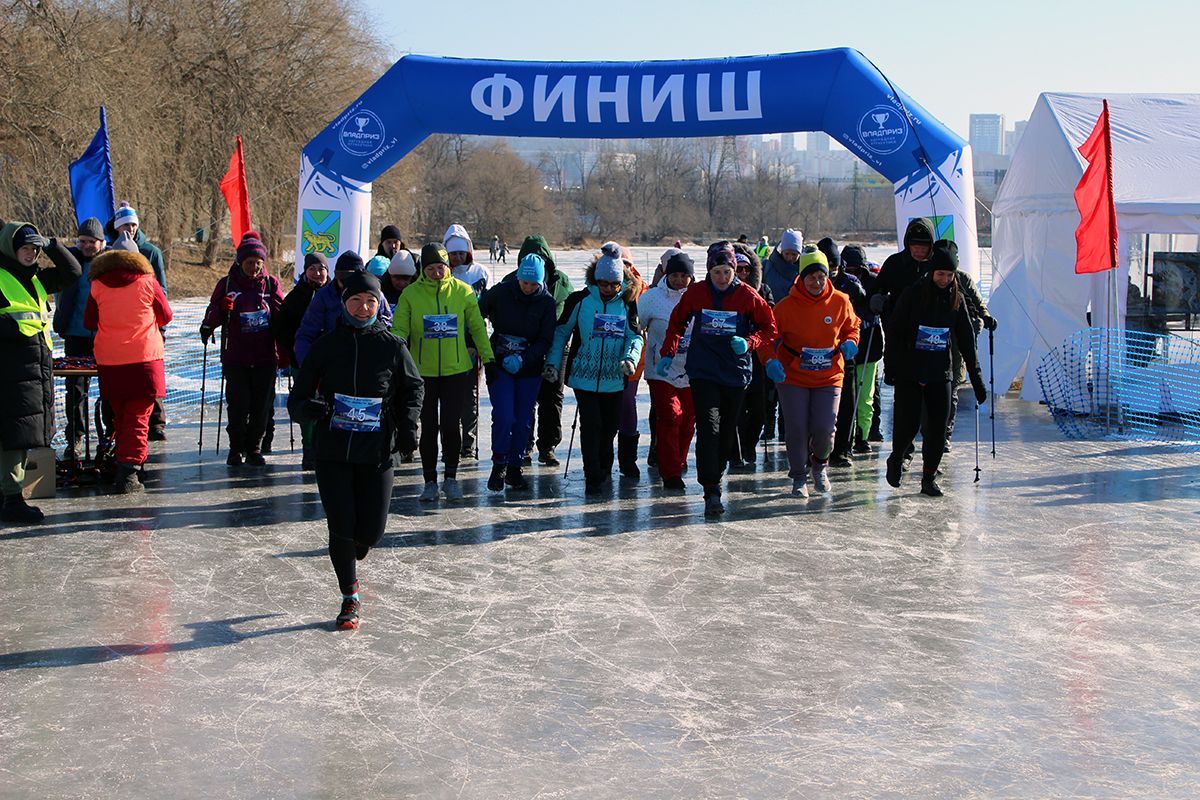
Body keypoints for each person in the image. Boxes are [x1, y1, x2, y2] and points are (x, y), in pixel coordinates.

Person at [288, 272, 422, 630]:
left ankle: (353, 549)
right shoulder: (326, 345)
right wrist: (309, 410)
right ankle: (350, 597)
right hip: (333, 450)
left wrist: (409, 429)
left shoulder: (392, 346)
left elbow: (413, 389)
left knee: (371, 531)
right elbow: (297, 398)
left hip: (377, 450)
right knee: (341, 525)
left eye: (370, 302)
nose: (363, 309)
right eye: (355, 301)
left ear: (380, 306)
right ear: (344, 303)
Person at [658, 241, 776, 516]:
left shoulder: (747, 296)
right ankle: (711, 489)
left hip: (735, 373)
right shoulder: (697, 293)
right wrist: (668, 351)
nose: (722, 278)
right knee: (709, 429)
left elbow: (770, 328)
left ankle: (718, 470)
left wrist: (749, 343)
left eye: (727, 272)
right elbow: (677, 322)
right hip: (703, 371)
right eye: (717, 272)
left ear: (734, 271)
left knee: (725, 433)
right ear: (709, 272)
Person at [392, 243, 495, 502]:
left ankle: (451, 478)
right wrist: (393, 358)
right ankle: (429, 482)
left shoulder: (463, 291)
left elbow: (477, 326)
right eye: (431, 269)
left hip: (456, 371)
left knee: (451, 425)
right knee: (428, 426)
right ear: (423, 270)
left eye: (441, 267)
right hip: (422, 373)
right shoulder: (411, 295)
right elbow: (400, 330)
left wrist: (488, 356)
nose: (437, 273)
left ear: (448, 267)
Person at [884, 241, 986, 497]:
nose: (945, 279)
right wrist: (892, 366)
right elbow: (895, 333)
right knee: (907, 426)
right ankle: (897, 458)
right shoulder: (912, 295)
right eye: (941, 274)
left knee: (937, 430)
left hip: (940, 372)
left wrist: (977, 378)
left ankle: (928, 477)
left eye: (950, 275)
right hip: (911, 370)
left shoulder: (956, 299)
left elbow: (966, 340)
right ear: (931, 272)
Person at [759, 249, 859, 497]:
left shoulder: (840, 301)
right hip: (793, 375)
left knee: (825, 428)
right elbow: (766, 338)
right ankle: (798, 476)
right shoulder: (785, 306)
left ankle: (819, 465)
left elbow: (852, 327)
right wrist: (770, 361)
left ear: (828, 277)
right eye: (810, 277)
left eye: (821, 277)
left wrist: (851, 342)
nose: (816, 282)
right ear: (801, 278)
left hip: (829, 374)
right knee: (796, 427)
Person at [544, 245, 643, 495]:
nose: (608, 289)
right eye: (603, 283)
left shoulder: (628, 305)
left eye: (613, 284)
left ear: (621, 283)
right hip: (583, 376)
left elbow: (636, 337)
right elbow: (561, 332)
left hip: (614, 377)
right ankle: (593, 475)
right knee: (591, 426)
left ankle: (605, 469)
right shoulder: (580, 300)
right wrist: (553, 363)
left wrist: (630, 359)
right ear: (596, 280)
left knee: (609, 428)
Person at [0, 221, 81, 522]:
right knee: (12, 437)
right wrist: (15, 331)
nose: (31, 253)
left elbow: (73, 273)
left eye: (35, 249)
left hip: (32, 370)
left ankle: (8, 496)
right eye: (26, 247)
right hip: (10, 371)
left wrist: (53, 245)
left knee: (18, 435)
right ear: (10, 247)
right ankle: (11, 499)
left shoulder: (36, 279)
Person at [83, 234, 173, 493]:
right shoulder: (148, 281)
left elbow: (89, 321)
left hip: (110, 360)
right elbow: (166, 314)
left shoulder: (97, 284)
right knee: (138, 417)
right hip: (144, 358)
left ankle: (124, 464)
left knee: (121, 416)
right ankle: (129, 474)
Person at [200, 232, 285, 466]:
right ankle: (235, 449)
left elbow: (282, 314)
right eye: (250, 263)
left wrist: (286, 336)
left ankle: (254, 448)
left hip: (265, 357)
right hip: (236, 357)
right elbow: (211, 316)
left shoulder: (270, 284)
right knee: (238, 406)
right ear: (240, 262)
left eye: (259, 264)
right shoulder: (227, 284)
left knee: (261, 408)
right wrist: (221, 310)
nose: (254, 268)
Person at [478, 254, 556, 492]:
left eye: (534, 284)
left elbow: (545, 339)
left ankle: (515, 467)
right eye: (525, 283)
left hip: (529, 367)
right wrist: (478, 346)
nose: (529, 288)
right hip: (499, 364)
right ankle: (499, 463)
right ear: (518, 277)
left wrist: (524, 358)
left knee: (523, 419)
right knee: (504, 415)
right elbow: (474, 314)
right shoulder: (500, 292)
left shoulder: (546, 302)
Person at [506, 235, 575, 467]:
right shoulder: (511, 281)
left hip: (556, 348)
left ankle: (548, 446)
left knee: (552, 397)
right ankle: (524, 445)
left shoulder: (562, 283)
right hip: (523, 349)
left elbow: (568, 312)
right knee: (525, 397)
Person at [107, 201, 170, 440]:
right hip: (120, 330)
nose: (130, 229)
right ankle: (116, 423)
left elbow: (161, 287)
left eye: (133, 225)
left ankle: (156, 422)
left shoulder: (150, 251)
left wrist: (156, 316)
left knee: (151, 377)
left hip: (149, 324)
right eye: (125, 225)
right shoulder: (111, 252)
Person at [53, 217, 113, 459]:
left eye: (92, 241)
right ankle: (75, 437)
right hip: (75, 335)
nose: (86, 245)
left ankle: (110, 434)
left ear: (101, 242)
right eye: (83, 241)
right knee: (75, 390)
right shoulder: (71, 260)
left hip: (105, 335)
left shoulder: (110, 263)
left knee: (109, 387)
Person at [638, 251, 695, 490]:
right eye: (675, 275)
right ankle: (670, 472)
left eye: (684, 276)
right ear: (666, 274)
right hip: (660, 370)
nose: (679, 280)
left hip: (691, 370)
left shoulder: (698, 297)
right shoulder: (651, 298)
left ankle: (679, 461)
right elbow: (636, 326)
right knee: (671, 417)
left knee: (688, 421)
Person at [273, 252, 329, 470]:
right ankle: (309, 450)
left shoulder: (335, 294)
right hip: (302, 362)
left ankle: (326, 448)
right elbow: (281, 328)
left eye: (321, 269)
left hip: (330, 362)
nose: (317, 273)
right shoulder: (295, 298)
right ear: (305, 272)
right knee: (308, 406)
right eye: (312, 269)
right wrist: (294, 348)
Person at [817, 237, 868, 468]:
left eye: (836, 268)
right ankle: (816, 449)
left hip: (843, 354)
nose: (832, 273)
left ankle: (843, 449)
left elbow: (859, 318)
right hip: (816, 354)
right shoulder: (811, 282)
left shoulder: (850, 285)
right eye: (830, 268)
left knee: (847, 403)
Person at [293, 251, 393, 366]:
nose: (347, 286)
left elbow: (387, 325)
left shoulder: (375, 295)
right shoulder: (324, 296)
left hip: (368, 359)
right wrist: (309, 367)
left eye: (352, 282)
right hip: (334, 361)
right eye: (343, 280)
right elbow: (306, 334)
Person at [729, 243, 775, 468]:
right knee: (736, 408)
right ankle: (736, 452)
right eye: (739, 269)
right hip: (732, 357)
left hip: (757, 356)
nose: (743, 274)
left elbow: (771, 319)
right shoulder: (725, 293)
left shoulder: (763, 290)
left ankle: (749, 444)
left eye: (746, 270)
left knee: (758, 410)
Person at [444, 223, 487, 461]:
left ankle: (468, 442)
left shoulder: (479, 273)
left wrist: (477, 342)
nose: (458, 258)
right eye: (453, 254)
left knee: (469, 395)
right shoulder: (439, 273)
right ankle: (450, 439)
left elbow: (481, 312)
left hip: (471, 342)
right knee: (449, 394)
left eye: (461, 253)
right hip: (445, 341)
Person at [840, 244, 884, 454]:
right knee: (846, 397)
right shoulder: (840, 284)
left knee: (865, 397)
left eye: (857, 270)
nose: (853, 274)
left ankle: (863, 436)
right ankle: (846, 436)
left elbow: (888, 309)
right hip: (843, 349)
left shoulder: (874, 283)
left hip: (869, 346)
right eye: (849, 270)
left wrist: (878, 304)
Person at [760, 227, 804, 439]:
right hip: (772, 326)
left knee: (791, 380)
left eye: (794, 254)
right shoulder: (768, 267)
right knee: (771, 383)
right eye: (787, 253)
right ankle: (768, 424)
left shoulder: (802, 269)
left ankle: (786, 427)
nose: (790, 257)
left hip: (795, 330)